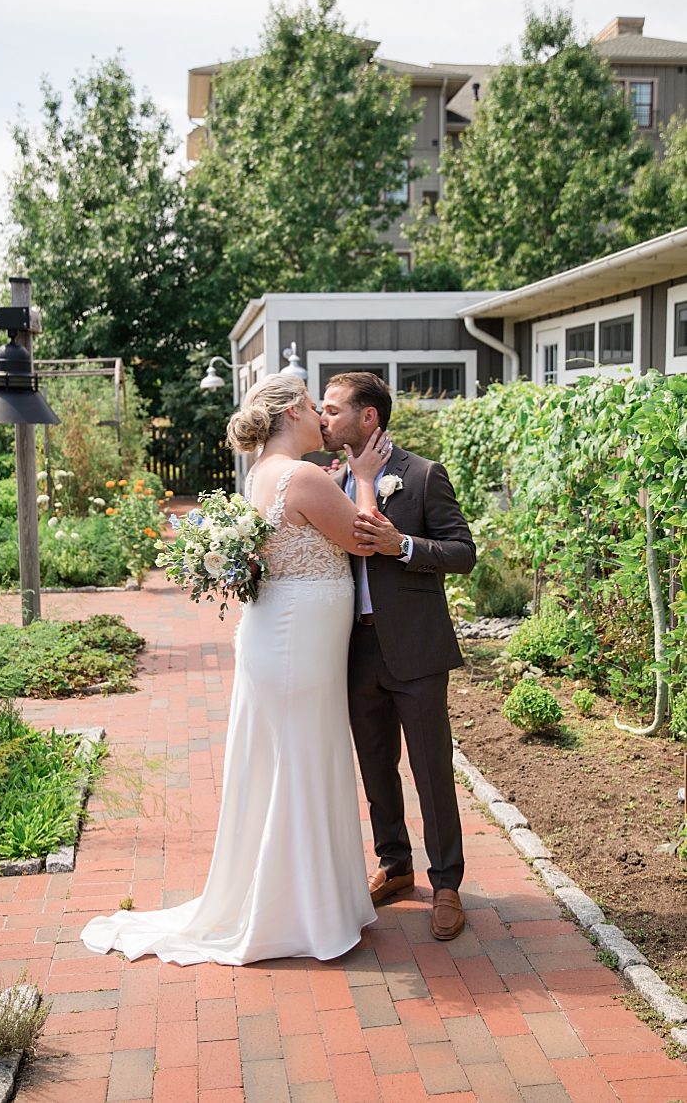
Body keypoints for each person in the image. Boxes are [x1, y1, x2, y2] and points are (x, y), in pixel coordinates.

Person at [82, 372, 386, 966]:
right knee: (303, 758)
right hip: (300, 634)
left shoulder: (263, 474)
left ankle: (306, 902)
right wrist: (367, 482)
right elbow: (363, 539)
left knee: (290, 759)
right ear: (292, 412)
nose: (321, 418)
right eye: (312, 407)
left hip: (281, 630)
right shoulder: (299, 476)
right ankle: (301, 912)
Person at [324, 372, 476, 941]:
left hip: (416, 649)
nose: (324, 418)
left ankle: (447, 885)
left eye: (335, 410)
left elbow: (463, 552)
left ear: (369, 418)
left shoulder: (423, 475)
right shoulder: (332, 480)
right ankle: (395, 864)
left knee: (432, 769)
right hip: (355, 649)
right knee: (376, 765)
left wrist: (404, 545)